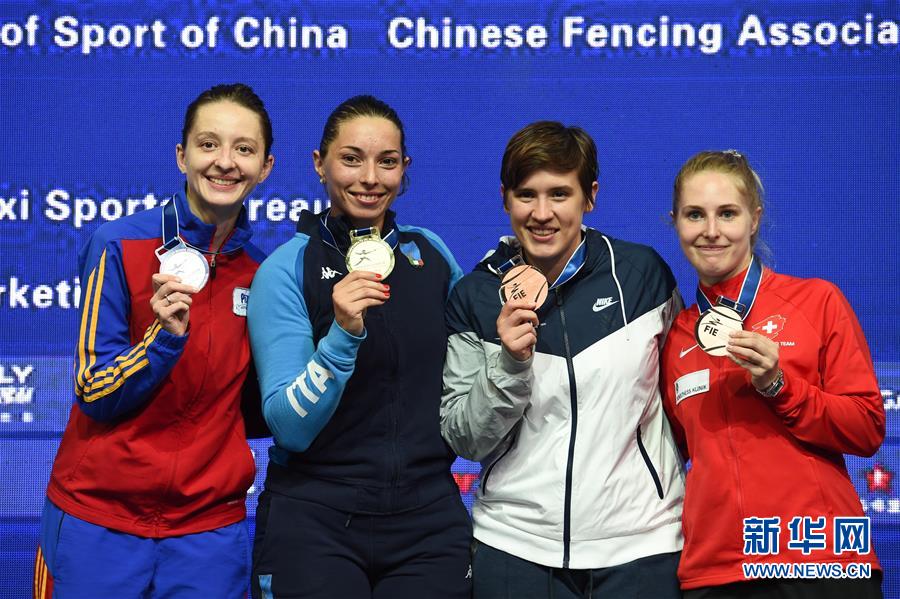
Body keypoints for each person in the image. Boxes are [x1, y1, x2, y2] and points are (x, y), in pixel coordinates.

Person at [32, 83, 275, 598]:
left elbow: (255, 403)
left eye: (244, 149)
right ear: (182, 156)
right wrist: (160, 341)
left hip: (208, 530)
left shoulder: (263, 273)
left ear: (265, 167)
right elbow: (93, 388)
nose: (225, 162)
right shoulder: (120, 245)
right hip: (100, 519)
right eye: (208, 145)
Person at [441, 121, 685, 598]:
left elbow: (681, 404)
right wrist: (510, 364)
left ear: (589, 196)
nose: (542, 213)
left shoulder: (642, 276)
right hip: (515, 546)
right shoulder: (475, 296)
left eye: (559, 194)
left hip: (641, 545)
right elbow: (465, 438)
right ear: (504, 199)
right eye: (526, 195)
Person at [247, 95, 471, 599]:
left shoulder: (430, 255)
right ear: (319, 163)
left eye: (386, 162)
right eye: (351, 159)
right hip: (314, 518)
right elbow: (288, 427)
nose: (370, 178)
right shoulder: (286, 269)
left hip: (427, 521)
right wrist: (343, 335)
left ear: (404, 167)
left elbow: (471, 374)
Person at [661, 150, 884, 598]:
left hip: (820, 560)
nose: (711, 230)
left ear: (754, 219)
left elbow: (866, 429)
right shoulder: (675, 336)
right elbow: (667, 460)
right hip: (716, 572)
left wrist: (779, 387)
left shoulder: (816, 302)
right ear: (675, 223)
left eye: (728, 213)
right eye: (694, 214)